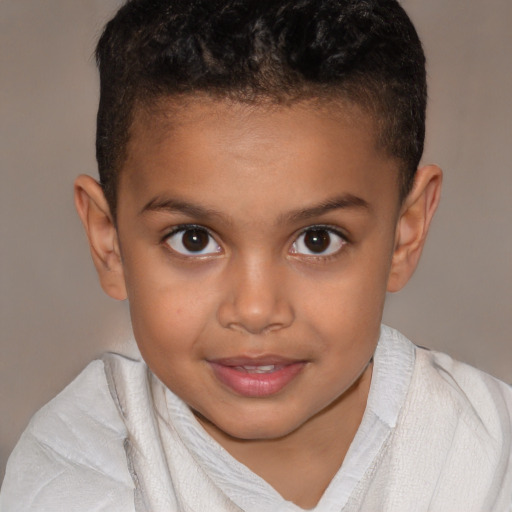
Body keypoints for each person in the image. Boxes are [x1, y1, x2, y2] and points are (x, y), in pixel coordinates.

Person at [1, 0, 511, 510]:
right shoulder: (76, 465)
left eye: (317, 239)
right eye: (193, 239)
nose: (255, 309)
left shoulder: (488, 455)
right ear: (108, 241)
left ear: (405, 233)